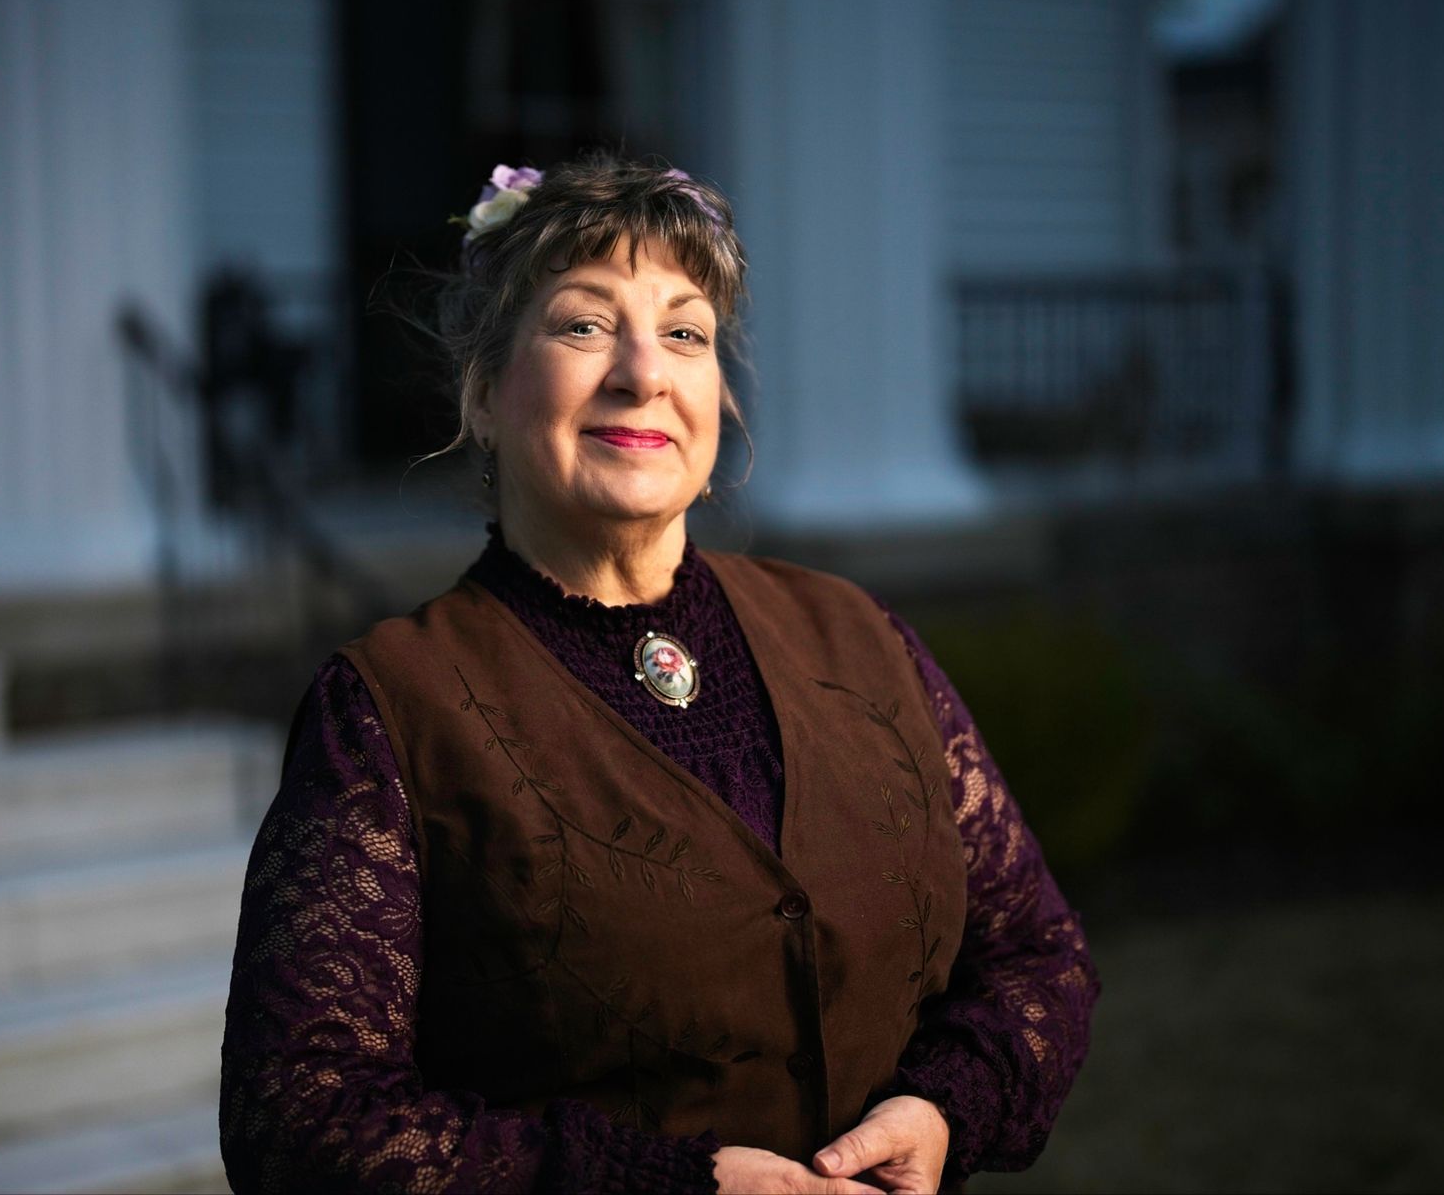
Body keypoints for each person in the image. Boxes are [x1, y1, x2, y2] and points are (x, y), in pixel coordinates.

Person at [219, 155, 1098, 1194]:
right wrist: (664, 1183)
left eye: (684, 332)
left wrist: (944, 1107)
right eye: (585, 325)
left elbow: (1036, 952)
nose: (644, 372)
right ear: (489, 394)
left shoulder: (858, 635)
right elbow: (303, 1114)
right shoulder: (388, 710)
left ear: (718, 392)